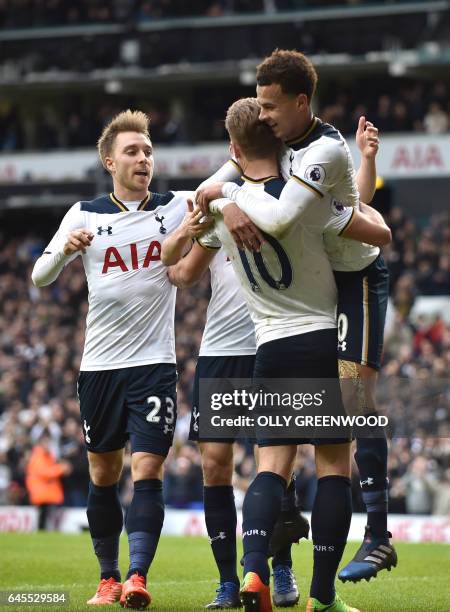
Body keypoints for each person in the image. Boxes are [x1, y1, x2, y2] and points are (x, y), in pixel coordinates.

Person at [163, 96, 391, 612]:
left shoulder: (226, 213)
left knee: (269, 469)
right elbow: (372, 228)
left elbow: (175, 262)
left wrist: (216, 198)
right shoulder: (303, 199)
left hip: (269, 346)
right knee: (333, 466)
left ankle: (252, 573)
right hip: (320, 337)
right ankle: (322, 597)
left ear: (233, 150)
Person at [31, 110, 202, 609]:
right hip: (99, 369)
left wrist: (224, 204)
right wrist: (65, 249)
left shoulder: (175, 207)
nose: (143, 158)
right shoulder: (83, 215)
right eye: (132, 151)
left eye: (148, 151)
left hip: (154, 365)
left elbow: (221, 186)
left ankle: (136, 576)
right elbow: (41, 277)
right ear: (110, 161)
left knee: (148, 469)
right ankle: (107, 578)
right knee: (103, 476)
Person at [162, 200, 308, 608]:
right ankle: (227, 580)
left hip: (273, 346)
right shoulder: (219, 209)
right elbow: (184, 273)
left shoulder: (284, 202)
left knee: (275, 461)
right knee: (214, 465)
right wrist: (170, 247)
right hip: (221, 353)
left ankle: (277, 565)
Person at [25, 430, 72, 530]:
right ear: (40, 444)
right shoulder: (38, 456)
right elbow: (45, 472)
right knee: (43, 515)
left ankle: (42, 532)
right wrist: (61, 468)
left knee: (45, 515)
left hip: (46, 492)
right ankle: (41, 532)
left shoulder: (47, 456)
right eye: (45, 443)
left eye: (48, 443)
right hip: (42, 491)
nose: (47, 445)